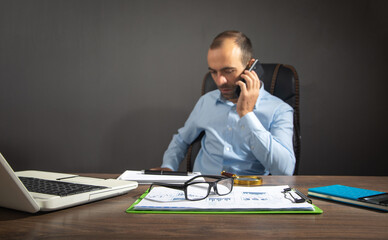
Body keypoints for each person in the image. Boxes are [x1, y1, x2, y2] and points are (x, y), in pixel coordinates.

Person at [154, 30, 295, 175]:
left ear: (250, 66)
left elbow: (284, 171)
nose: (220, 81)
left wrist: (247, 114)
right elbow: (181, 140)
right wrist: (169, 166)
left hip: (247, 190)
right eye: (213, 72)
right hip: (201, 188)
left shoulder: (279, 110)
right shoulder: (206, 101)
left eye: (228, 71)